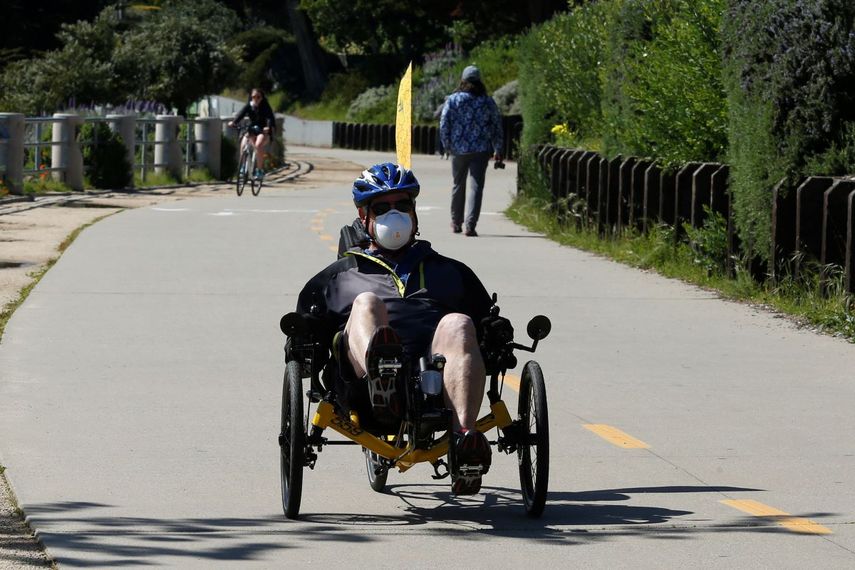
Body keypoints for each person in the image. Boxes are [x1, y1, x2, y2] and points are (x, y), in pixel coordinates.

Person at [295, 163, 495, 495]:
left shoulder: (450, 271)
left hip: (433, 381)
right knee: (366, 303)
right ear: (364, 216)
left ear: (414, 212)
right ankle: (382, 377)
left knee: (458, 323)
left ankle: (464, 441)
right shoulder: (340, 275)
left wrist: (498, 332)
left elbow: (488, 327)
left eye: (402, 205)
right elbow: (304, 334)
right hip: (361, 389)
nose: (395, 214)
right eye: (382, 207)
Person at [439, 65, 504, 237]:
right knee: (476, 186)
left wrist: (446, 145)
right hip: (481, 149)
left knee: (458, 184)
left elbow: (444, 123)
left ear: (463, 80)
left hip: (458, 149)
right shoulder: (487, 101)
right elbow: (497, 125)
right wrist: (498, 148)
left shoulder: (453, 100)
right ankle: (470, 224)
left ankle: (456, 222)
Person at [228, 88, 276, 179]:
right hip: (251, 129)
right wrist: (234, 122)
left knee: (258, 145)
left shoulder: (265, 106)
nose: (256, 99)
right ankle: (243, 167)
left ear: (262, 98)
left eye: (258, 97)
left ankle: (259, 170)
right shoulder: (249, 106)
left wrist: (268, 127)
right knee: (243, 144)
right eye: (254, 97)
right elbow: (241, 114)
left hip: (262, 130)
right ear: (251, 97)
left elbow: (270, 118)